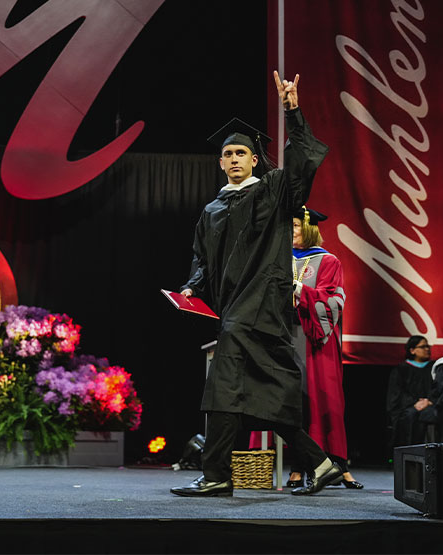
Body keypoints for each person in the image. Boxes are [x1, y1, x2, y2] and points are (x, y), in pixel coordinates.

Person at [170, 72, 342, 497]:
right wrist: (192, 287)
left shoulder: (274, 191)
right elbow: (201, 257)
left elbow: (303, 158)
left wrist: (292, 110)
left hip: (261, 307)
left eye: (240, 153)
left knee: (223, 391)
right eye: (226, 154)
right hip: (233, 310)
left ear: (253, 159)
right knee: (262, 398)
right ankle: (319, 464)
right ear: (220, 161)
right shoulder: (212, 209)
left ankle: (215, 475)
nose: (232, 159)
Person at [284, 207, 362, 489]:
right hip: (285, 336)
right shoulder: (278, 258)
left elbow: (332, 302)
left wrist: (296, 289)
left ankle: (337, 465)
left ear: (308, 228)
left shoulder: (328, 261)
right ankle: (296, 466)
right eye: (288, 225)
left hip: (317, 340)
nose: (289, 231)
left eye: (294, 225)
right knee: (294, 403)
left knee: (324, 402)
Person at [385, 335, 438, 447]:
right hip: (408, 408)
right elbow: (396, 394)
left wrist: (429, 401)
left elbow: (439, 388)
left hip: (431, 404)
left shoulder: (435, 367)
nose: (427, 349)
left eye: (428, 346)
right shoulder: (401, 369)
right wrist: (415, 403)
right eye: (423, 346)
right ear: (412, 350)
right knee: (409, 416)